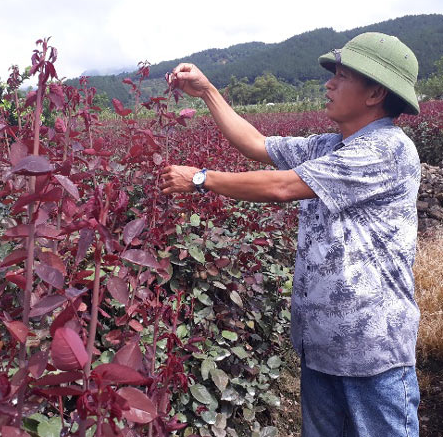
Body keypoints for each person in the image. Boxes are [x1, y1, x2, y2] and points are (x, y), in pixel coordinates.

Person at [160, 32, 421, 436]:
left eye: (342, 76)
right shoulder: (332, 146)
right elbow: (257, 144)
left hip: (372, 356)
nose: (329, 84)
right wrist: (208, 91)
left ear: (375, 93)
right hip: (321, 349)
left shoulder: (387, 149)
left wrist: (199, 178)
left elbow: (281, 186)